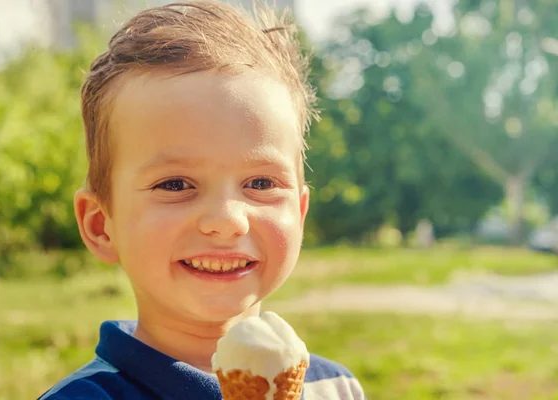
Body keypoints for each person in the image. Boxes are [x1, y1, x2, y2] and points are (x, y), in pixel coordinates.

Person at [38, 1, 365, 398]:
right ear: (100, 225)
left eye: (260, 183)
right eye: (175, 184)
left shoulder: (337, 388)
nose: (227, 220)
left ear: (299, 212)